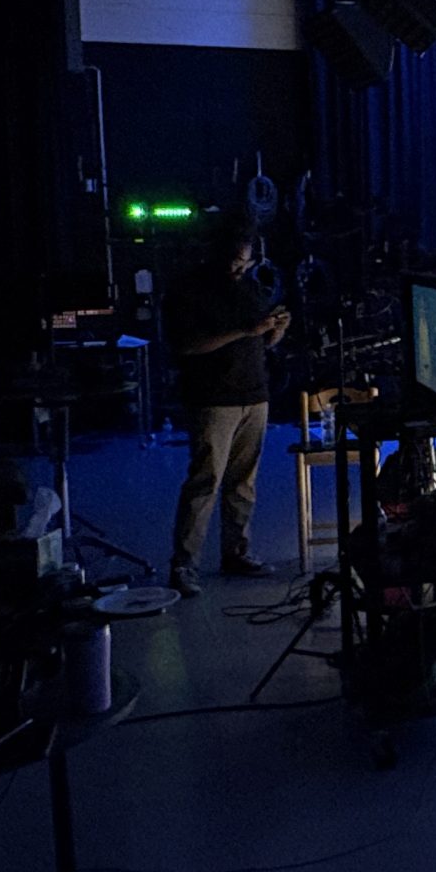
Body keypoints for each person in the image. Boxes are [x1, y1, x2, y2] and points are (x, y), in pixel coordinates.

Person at [164, 212, 290, 597]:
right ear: (217, 255)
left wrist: (276, 329)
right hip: (213, 400)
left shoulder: (250, 288)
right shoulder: (189, 291)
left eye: (246, 261)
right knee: (205, 482)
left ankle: (237, 552)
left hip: (254, 394)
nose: (240, 268)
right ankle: (184, 564)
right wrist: (243, 331)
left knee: (243, 484)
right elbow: (186, 346)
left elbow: (262, 344)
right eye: (234, 261)